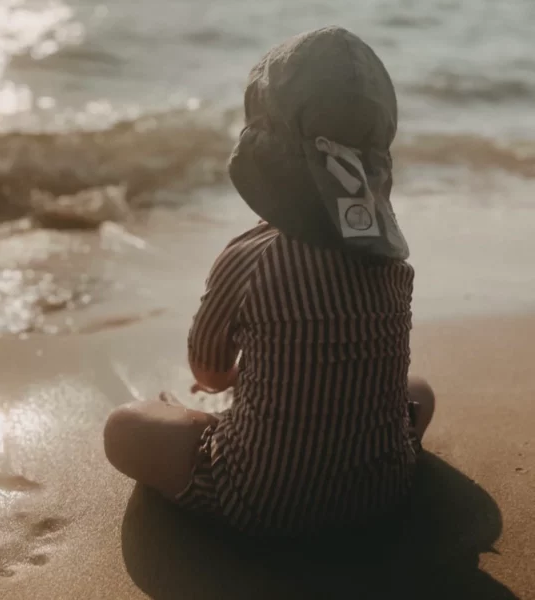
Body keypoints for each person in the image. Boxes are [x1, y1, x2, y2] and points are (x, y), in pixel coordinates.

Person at [104, 26, 435, 536]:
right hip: (382, 490)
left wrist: (238, 382)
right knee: (418, 391)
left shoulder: (251, 257)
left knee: (123, 427)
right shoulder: (393, 262)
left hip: (258, 498)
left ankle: (214, 432)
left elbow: (210, 374)